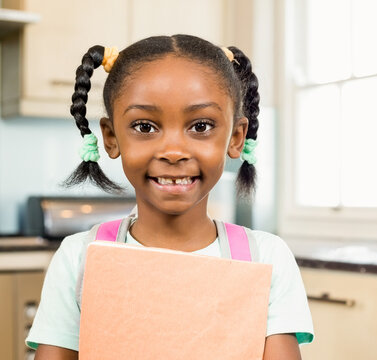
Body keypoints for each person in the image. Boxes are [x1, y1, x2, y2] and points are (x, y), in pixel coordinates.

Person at [26, 34, 314, 360]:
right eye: (145, 127)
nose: (174, 152)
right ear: (110, 137)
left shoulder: (267, 258)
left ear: (235, 138)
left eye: (201, 126)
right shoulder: (78, 260)